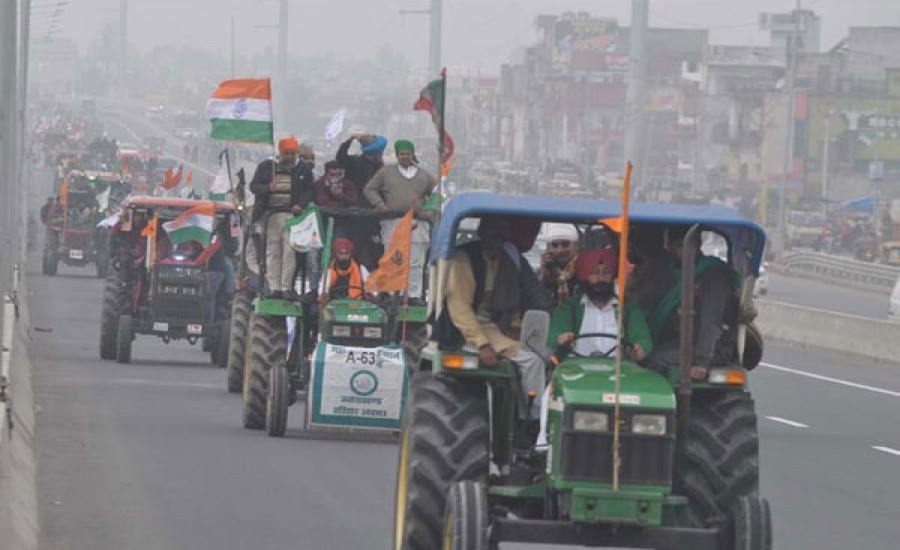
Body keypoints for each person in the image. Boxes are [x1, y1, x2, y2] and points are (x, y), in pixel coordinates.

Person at [434, 216, 550, 433]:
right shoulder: (464, 259)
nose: (499, 235)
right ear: (482, 231)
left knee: (539, 358)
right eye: (494, 229)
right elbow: (460, 309)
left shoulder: (508, 260)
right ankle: (531, 423)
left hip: (496, 328)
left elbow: (516, 299)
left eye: (504, 229)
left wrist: (516, 325)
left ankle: (530, 422)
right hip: (464, 331)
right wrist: (482, 345)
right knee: (530, 361)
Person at [645, 226, 740, 381]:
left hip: (712, 347)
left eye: (691, 245)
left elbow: (711, 319)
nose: (686, 251)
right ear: (669, 246)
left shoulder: (713, 275)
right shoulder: (667, 272)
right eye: (680, 246)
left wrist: (702, 362)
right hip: (681, 341)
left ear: (699, 244)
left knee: (655, 361)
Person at [363, 140, 437, 302]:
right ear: (397, 155)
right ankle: (392, 294)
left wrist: (430, 211)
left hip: (417, 222)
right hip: (393, 221)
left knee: (415, 261)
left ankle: (413, 295)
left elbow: (438, 193)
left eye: (408, 154)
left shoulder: (423, 175)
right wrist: (380, 205)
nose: (405, 157)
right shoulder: (386, 172)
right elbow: (369, 189)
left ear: (412, 155)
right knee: (393, 258)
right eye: (402, 154)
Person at [548, 249, 652, 361]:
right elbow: (555, 335)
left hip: (618, 368)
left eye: (606, 272)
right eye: (594, 272)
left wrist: (640, 349)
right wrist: (561, 338)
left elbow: (642, 338)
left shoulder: (628, 307)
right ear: (585, 276)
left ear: (613, 276)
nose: (601, 278)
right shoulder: (569, 307)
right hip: (575, 367)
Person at [249, 135, 315, 299]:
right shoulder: (267, 167)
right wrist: (267, 188)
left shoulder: (302, 170)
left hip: (291, 216)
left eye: (293, 154)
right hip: (269, 215)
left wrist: (301, 204)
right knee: (273, 252)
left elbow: (309, 191)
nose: (290, 157)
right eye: (287, 153)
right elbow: (254, 187)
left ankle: (286, 287)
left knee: (289, 251)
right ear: (280, 152)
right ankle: (275, 287)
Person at [538, 223, 580, 303]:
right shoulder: (543, 273)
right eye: (554, 245)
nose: (560, 250)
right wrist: (544, 279)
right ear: (548, 248)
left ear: (576, 245)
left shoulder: (587, 270)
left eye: (565, 244)